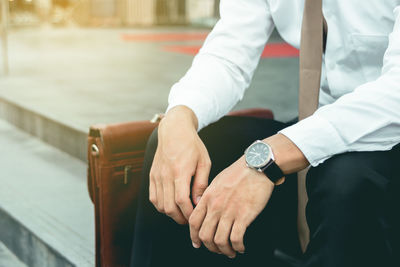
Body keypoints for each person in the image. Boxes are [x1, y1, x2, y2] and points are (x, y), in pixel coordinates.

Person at [130, 0, 400, 266]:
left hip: (388, 132)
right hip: (319, 124)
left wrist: (266, 160)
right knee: (183, 150)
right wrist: (180, 115)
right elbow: (229, 53)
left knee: (347, 179)